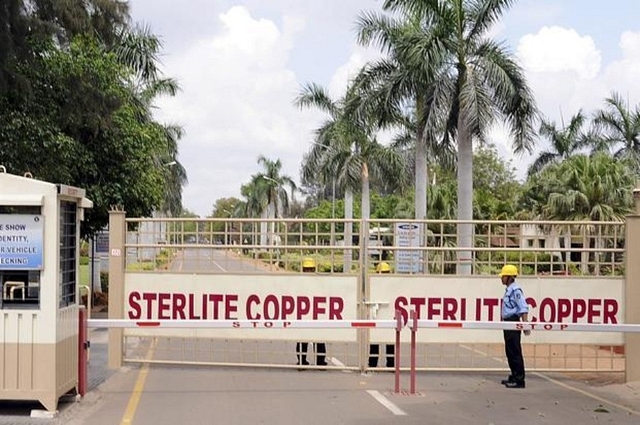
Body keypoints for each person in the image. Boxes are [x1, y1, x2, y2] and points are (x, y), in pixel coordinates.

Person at [499, 264, 530, 389]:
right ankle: (514, 375)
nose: (501, 278)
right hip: (507, 322)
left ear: (510, 277)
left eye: (504, 276)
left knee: (515, 350)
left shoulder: (516, 290)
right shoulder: (509, 290)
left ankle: (519, 379)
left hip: (513, 321)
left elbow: (523, 307)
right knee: (509, 350)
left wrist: (525, 324)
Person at [296, 257, 328, 367]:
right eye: (307, 269)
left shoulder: (301, 282)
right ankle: (305, 361)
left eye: (310, 269)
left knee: (315, 338)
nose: (309, 271)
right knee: (304, 339)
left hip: (312, 314)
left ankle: (315, 361)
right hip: (307, 314)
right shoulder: (316, 282)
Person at [368, 262, 395, 368]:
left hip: (387, 315)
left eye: (386, 272)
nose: (384, 274)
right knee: (375, 339)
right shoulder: (373, 283)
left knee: (389, 340)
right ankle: (374, 362)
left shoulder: (376, 284)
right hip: (377, 315)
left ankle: (389, 362)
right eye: (383, 272)